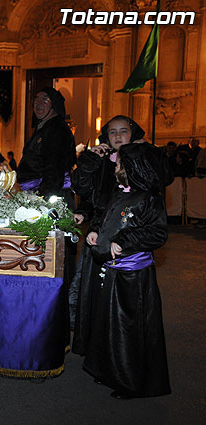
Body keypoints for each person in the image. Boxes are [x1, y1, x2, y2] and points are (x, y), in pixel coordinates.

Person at [82, 142, 171, 399]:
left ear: (133, 168)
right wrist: (95, 231)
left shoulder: (149, 200)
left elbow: (156, 232)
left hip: (132, 277)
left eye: (119, 163)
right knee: (109, 325)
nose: (115, 167)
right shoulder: (120, 193)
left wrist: (124, 240)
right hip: (111, 272)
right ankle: (110, 370)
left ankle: (133, 381)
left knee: (128, 328)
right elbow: (103, 217)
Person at [71, 115, 144, 348]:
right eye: (113, 132)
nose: (118, 136)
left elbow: (159, 185)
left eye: (124, 131)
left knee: (123, 298)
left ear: (132, 133)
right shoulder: (102, 160)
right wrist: (89, 159)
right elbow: (84, 189)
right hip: (99, 234)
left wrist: (146, 152)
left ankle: (122, 348)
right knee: (95, 292)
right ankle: (97, 346)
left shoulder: (141, 160)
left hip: (128, 236)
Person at [17, 87, 76, 206]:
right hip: (33, 192)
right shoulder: (43, 127)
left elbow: (54, 168)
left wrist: (41, 199)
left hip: (48, 195)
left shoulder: (57, 129)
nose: (38, 104)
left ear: (54, 104)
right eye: (36, 100)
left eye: (45, 100)